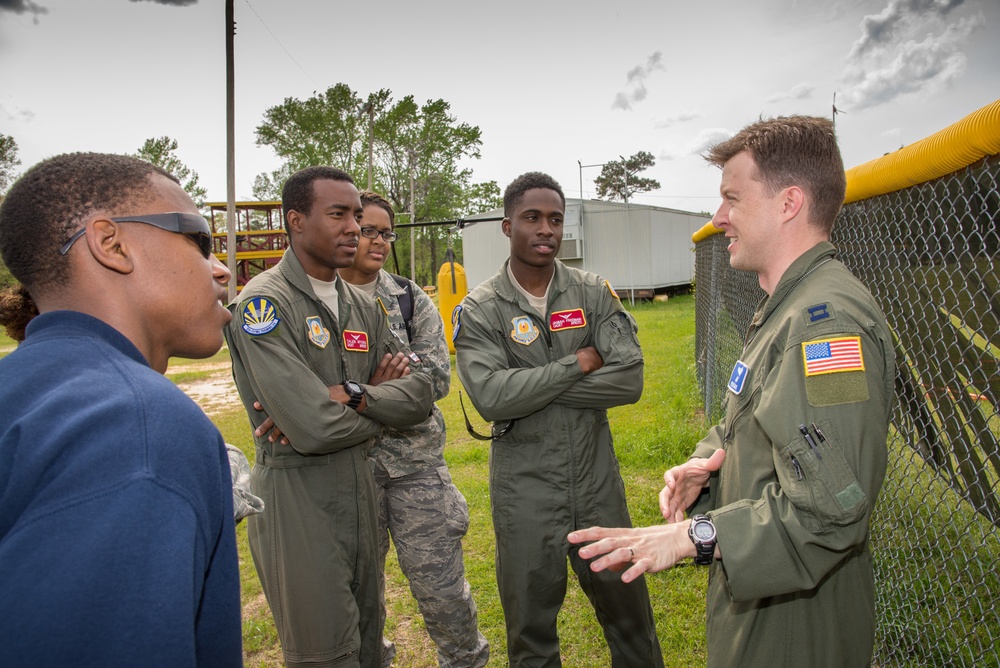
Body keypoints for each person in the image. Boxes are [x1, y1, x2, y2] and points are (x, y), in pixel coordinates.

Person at [569, 116, 895, 667]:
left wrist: (687, 538)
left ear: (788, 203)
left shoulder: (824, 325)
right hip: (767, 600)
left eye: (732, 199)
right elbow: (756, 424)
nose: (718, 219)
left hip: (797, 629)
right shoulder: (786, 306)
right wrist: (707, 469)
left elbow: (831, 512)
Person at [0, 152, 242, 666]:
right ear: (111, 244)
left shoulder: (25, 388)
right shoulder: (137, 426)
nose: (219, 268)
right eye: (198, 241)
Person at [224, 166, 433, 668]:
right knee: (326, 655)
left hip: (360, 491)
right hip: (299, 498)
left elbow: (422, 395)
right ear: (296, 221)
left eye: (358, 217)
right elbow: (315, 430)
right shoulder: (262, 305)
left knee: (367, 646)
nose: (354, 229)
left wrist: (355, 395)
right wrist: (381, 402)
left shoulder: (365, 305)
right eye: (337, 214)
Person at [453, 172, 664, 667]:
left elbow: (628, 381)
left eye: (555, 219)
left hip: (596, 483)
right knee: (531, 629)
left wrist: (532, 389)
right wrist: (578, 363)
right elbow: (490, 398)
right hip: (525, 489)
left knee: (630, 612)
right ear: (507, 226)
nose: (546, 229)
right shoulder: (481, 308)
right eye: (532, 218)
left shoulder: (591, 293)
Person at [334, 190, 490, 668]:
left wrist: (361, 391)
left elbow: (437, 377)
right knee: (360, 597)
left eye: (386, 232)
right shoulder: (319, 299)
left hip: (415, 471)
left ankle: (465, 661)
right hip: (347, 472)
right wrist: (381, 384)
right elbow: (312, 387)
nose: (379, 240)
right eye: (368, 230)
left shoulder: (407, 297)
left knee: (443, 594)